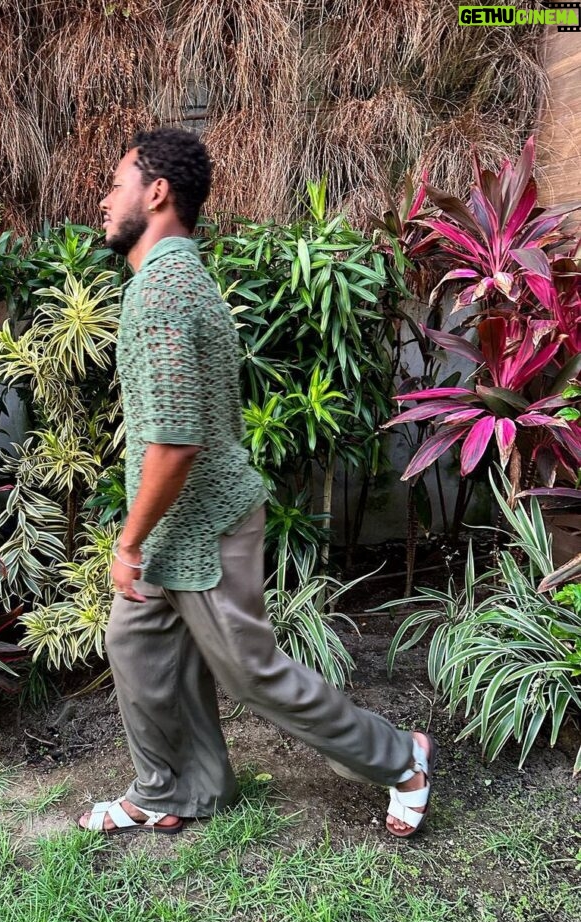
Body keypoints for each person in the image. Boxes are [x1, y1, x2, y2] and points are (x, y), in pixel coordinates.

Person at [79, 127, 435, 839]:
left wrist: (127, 543)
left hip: (202, 521)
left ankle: (402, 757)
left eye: (116, 183)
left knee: (248, 672)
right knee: (137, 645)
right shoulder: (167, 283)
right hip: (179, 522)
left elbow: (176, 442)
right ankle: (176, 786)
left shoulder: (166, 292)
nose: (102, 198)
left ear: (156, 193)